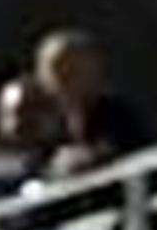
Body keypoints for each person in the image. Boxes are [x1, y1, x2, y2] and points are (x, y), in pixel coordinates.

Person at [33, 27, 149, 176]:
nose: (63, 79)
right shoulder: (49, 125)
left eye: (72, 70)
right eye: (55, 71)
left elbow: (127, 154)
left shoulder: (117, 113)